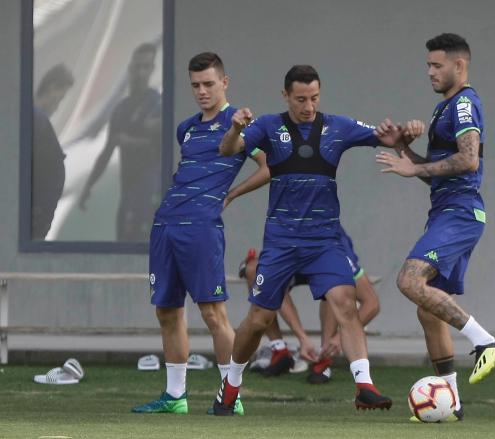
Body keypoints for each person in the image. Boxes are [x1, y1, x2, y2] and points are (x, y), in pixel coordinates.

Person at [215, 65, 415, 415]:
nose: (308, 106)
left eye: (314, 98)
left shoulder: (338, 126)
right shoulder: (266, 126)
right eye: (301, 99)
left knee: (344, 300)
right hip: (281, 243)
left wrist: (404, 133)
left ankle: (364, 385)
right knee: (258, 319)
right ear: (286, 96)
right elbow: (228, 150)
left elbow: (390, 139)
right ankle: (230, 385)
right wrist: (235, 127)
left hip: (324, 241)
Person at [376, 33, 495, 422]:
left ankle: (486, 341)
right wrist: (403, 148)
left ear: (459, 66)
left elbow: (468, 161)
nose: (430, 72)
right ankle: (450, 401)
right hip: (446, 211)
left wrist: (415, 166)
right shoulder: (442, 109)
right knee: (427, 309)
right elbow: (434, 173)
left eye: (437, 66)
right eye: (428, 66)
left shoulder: (465, 103)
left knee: (409, 281)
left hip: (461, 213)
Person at [131, 52, 269, 416]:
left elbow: (269, 167)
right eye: (195, 85)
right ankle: (175, 396)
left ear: (225, 82)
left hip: (202, 228)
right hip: (165, 225)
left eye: (209, 84)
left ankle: (231, 396)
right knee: (167, 310)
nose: (202, 91)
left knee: (212, 314)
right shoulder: (187, 128)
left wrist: (234, 193)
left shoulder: (240, 123)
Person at [238, 223, 380, 384]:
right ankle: (279, 349)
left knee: (334, 286)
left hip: (324, 248)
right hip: (291, 244)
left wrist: (339, 337)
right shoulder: (285, 227)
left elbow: (372, 303)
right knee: (254, 270)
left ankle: (324, 356)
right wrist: (302, 338)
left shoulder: (334, 244)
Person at [79, 43, 163, 241]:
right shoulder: (120, 109)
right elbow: (107, 151)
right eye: (137, 67)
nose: (140, 72)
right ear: (130, 69)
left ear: (152, 70)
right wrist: (88, 186)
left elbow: (162, 148)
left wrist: (129, 141)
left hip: (150, 190)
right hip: (128, 193)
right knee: (124, 240)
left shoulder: (159, 105)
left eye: (146, 67)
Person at [32, 64, 74, 240]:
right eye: (60, 98)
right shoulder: (36, 119)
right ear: (51, 87)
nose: (58, 106)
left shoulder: (36, 120)